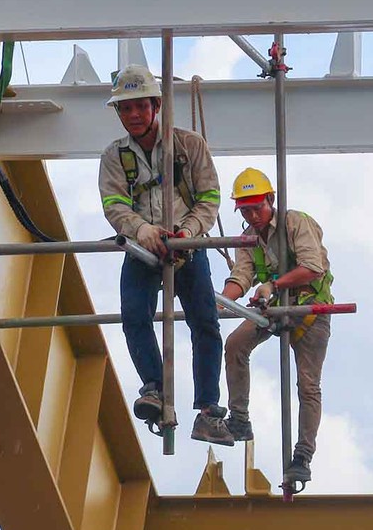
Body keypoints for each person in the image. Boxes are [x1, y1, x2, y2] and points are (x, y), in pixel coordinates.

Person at [98, 64, 232, 446]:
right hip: (142, 248)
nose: (134, 115)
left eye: (140, 106)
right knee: (134, 316)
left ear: (156, 105)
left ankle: (207, 408)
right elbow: (114, 204)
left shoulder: (188, 146)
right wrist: (142, 230)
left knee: (204, 323)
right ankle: (154, 388)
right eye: (126, 109)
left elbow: (208, 198)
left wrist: (188, 233)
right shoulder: (114, 157)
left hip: (188, 247)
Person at [219, 167, 334, 484]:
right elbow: (241, 276)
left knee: (308, 385)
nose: (253, 214)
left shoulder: (295, 222)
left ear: (271, 200)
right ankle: (239, 418)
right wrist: (220, 300)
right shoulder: (249, 238)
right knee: (235, 345)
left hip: (311, 309)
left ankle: (303, 456)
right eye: (246, 209)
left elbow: (312, 266)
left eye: (258, 206)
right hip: (274, 308)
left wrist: (271, 284)